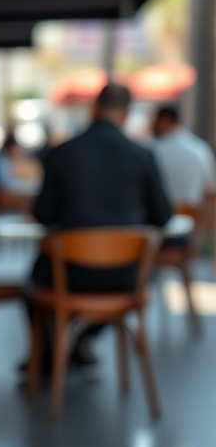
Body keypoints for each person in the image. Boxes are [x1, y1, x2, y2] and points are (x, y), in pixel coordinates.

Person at [30, 82, 171, 363]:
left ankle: (47, 357)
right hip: (125, 277)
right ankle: (80, 341)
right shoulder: (143, 155)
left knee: (32, 287)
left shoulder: (61, 153)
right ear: (127, 113)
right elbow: (163, 216)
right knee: (109, 295)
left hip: (68, 275)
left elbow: (43, 214)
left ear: (94, 109)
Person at [151, 104, 216, 207]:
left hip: (157, 215)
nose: (151, 125)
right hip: (193, 216)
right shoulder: (201, 148)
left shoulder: (152, 148)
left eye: (153, 120)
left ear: (164, 120)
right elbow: (211, 188)